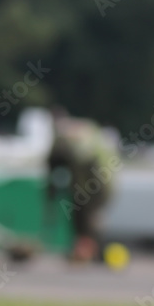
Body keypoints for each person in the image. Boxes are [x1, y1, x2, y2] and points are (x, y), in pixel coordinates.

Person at [45, 107, 116, 263]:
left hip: (99, 184)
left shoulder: (80, 134)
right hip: (83, 185)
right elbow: (54, 164)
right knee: (79, 216)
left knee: (90, 217)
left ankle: (92, 251)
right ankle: (83, 250)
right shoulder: (67, 138)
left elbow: (86, 159)